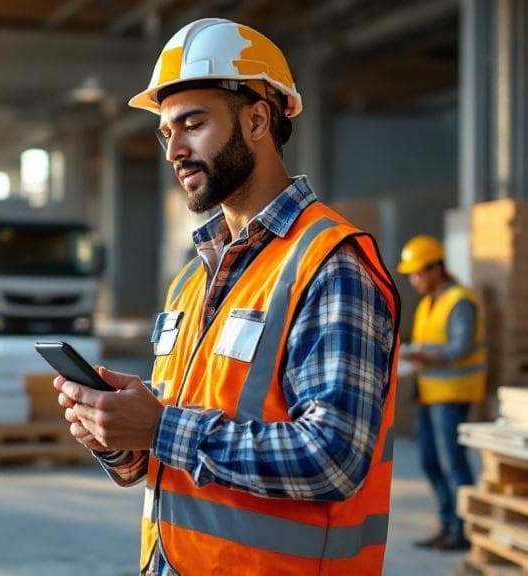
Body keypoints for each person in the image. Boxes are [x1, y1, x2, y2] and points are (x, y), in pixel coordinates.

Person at [53, 18, 400, 575]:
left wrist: (161, 427)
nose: (175, 150)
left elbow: (333, 458)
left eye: (193, 124)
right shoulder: (191, 282)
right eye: (167, 133)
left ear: (258, 118)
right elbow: (162, 456)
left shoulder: (330, 264)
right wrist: (117, 433)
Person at [397, 235, 485, 551]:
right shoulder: (426, 304)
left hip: (453, 395)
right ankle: (447, 523)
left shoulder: (460, 301)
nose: (413, 279)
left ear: (436, 269)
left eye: (418, 272)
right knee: (430, 462)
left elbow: (461, 348)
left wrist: (420, 357)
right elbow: (427, 345)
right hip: (429, 393)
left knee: (454, 464)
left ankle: (463, 529)